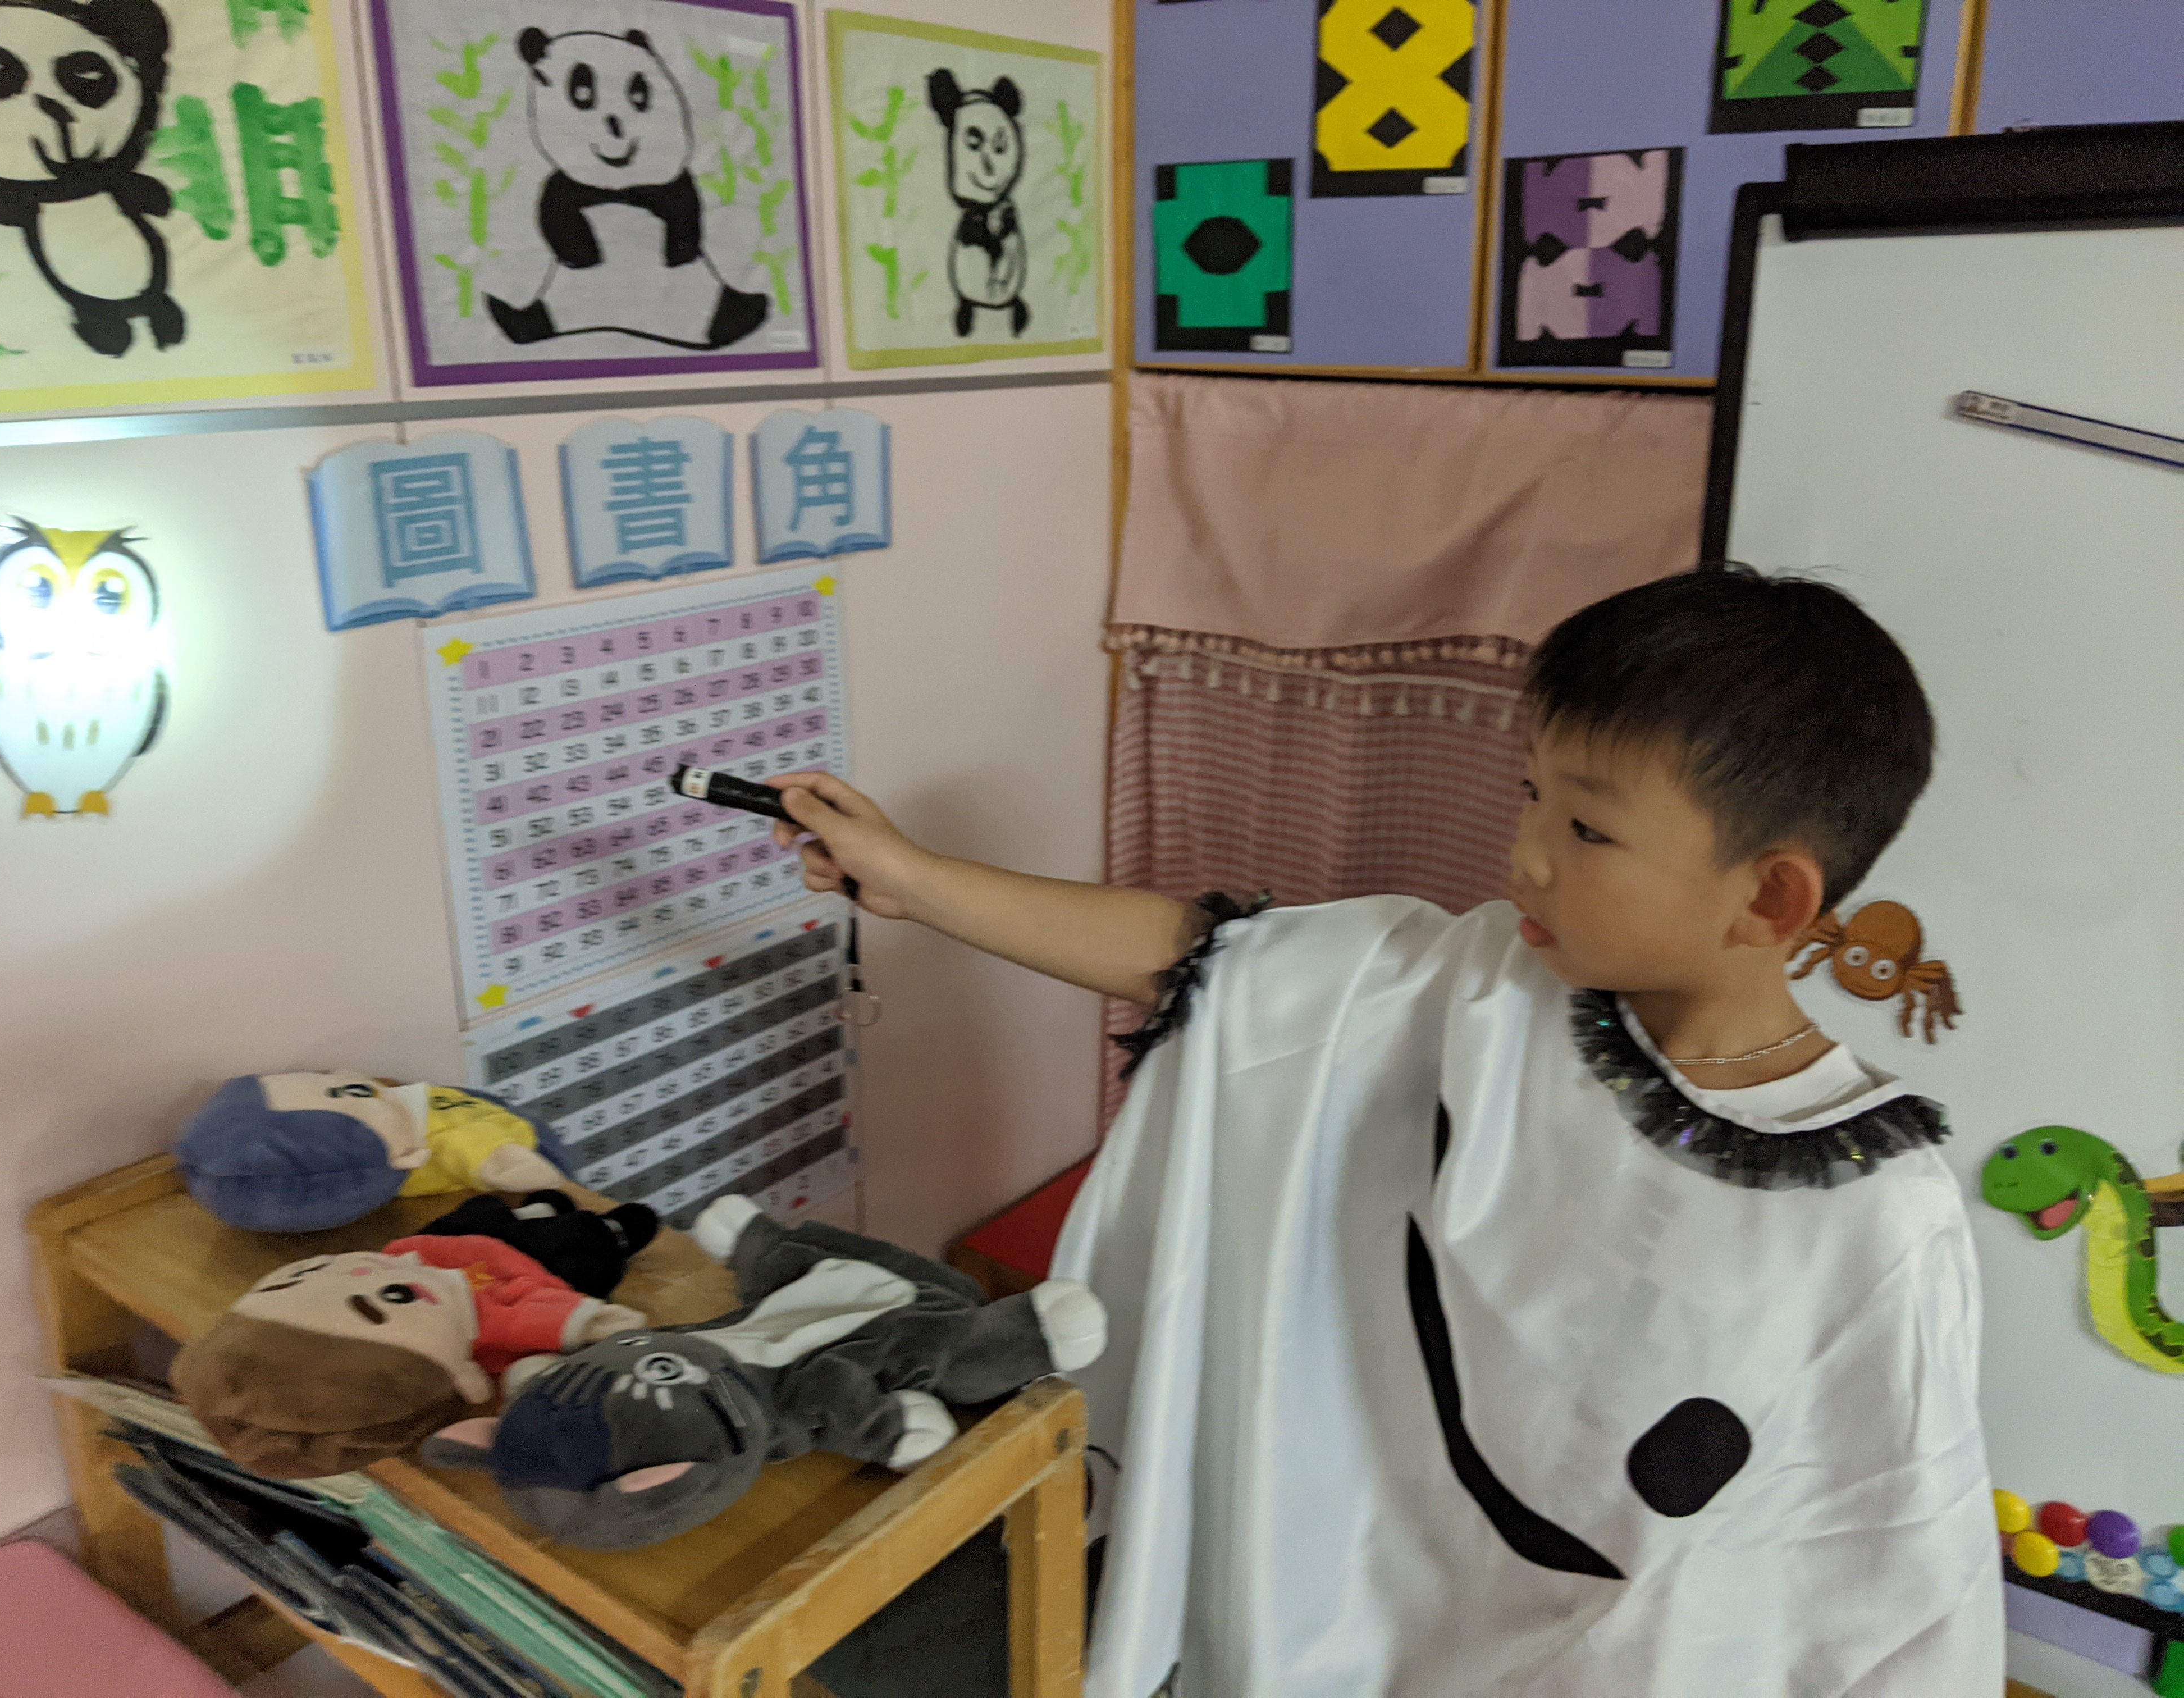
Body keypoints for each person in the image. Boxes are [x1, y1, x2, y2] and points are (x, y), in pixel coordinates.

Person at [773, 567, 2002, 1697]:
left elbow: (1888, 1563)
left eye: (1588, 830)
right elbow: (1204, 961)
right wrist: (917, 881)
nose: (1525, 856)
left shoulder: (1875, 1216)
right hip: (1335, 1609)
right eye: (1531, 794)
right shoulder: (1479, 987)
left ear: (1769, 897)